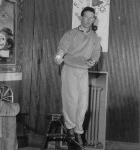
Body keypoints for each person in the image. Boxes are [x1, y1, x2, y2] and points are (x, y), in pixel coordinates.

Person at [54, 7, 101, 147]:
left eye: (92, 18)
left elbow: (96, 54)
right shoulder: (71, 34)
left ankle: (78, 131)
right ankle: (70, 129)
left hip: (83, 71)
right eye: (86, 17)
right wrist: (59, 56)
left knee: (83, 104)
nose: (89, 20)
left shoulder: (94, 37)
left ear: (94, 19)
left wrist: (93, 60)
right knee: (71, 101)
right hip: (69, 69)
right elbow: (62, 47)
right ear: (81, 17)